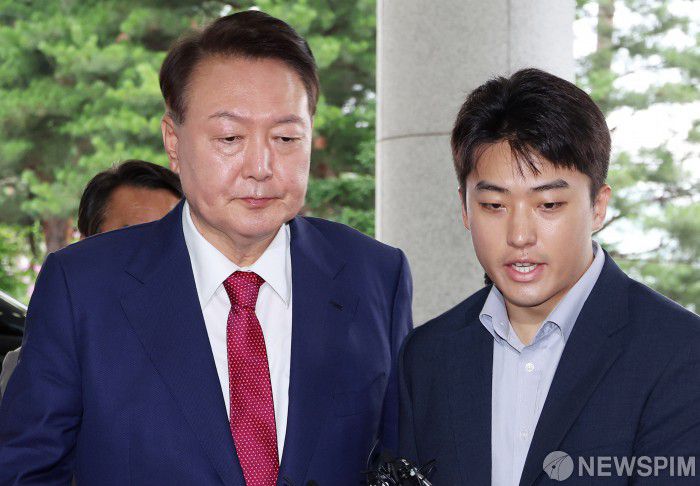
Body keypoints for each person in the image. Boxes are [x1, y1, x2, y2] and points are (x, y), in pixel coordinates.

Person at [0, 11, 412, 486]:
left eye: (286, 138)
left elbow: (399, 458)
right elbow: (26, 473)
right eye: (230, 138)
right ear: (173, 143)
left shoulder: (375, 275)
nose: (261, 166)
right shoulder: (83, 288)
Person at [398, 69, 700, 485]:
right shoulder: (426, 357)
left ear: (597, 207)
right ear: (465, 209)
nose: (520, 235)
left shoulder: (680, 352)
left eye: (550, 205)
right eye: (494, 205)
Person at [0, 159, 182, 402]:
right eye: (131, 240)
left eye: (170, 240)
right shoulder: (39, 368)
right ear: (85, 249)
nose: (152, 259)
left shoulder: (215, 350)